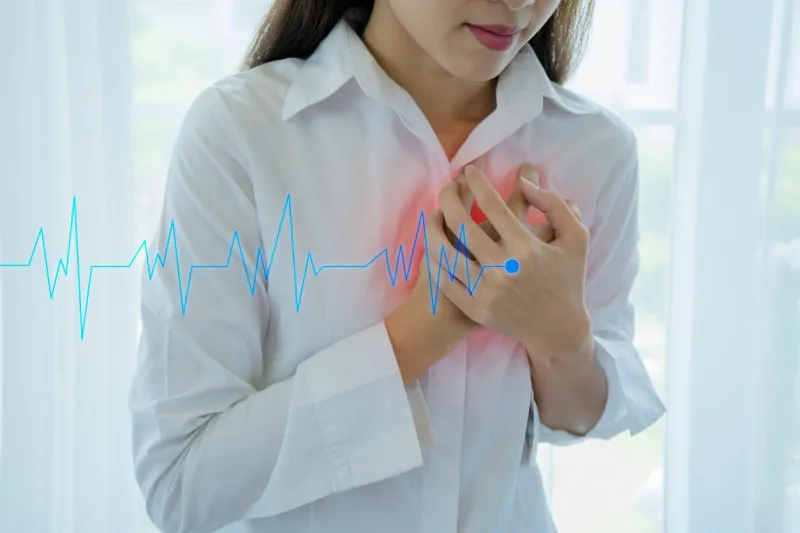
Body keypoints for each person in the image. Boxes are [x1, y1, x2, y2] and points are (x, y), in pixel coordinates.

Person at [128, 0, 666, 532]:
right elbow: (180, 485)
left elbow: (578, 415)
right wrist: (419, 336)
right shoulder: (241, 133)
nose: (520, 3)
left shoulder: (595, 149)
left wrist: (563, 339)